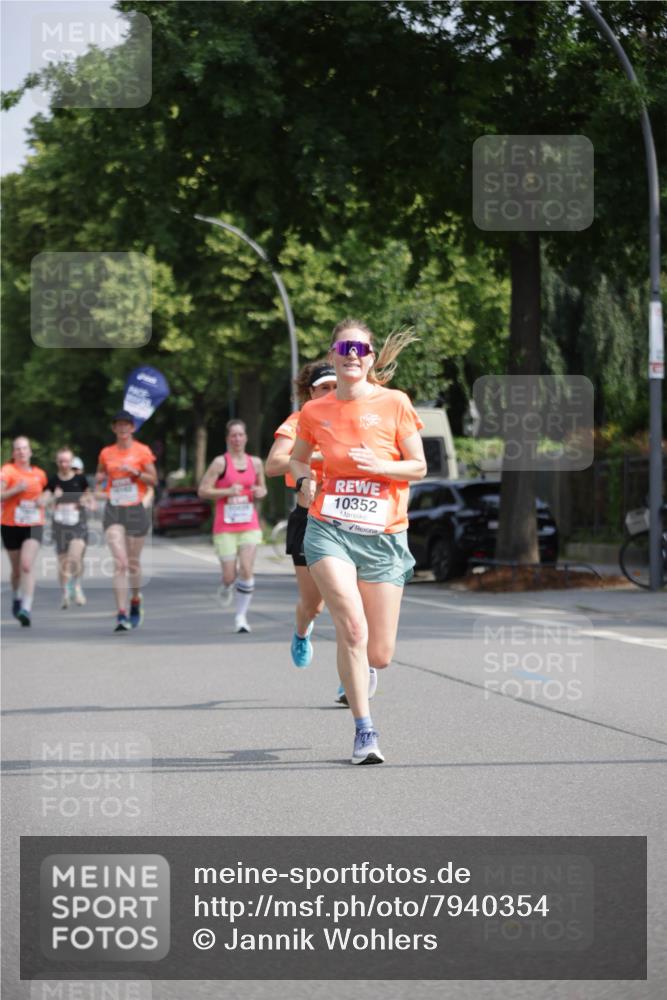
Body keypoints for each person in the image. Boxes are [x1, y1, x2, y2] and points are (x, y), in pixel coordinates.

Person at [289, 319, 427, 765]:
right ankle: (364, 732)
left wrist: (381, 468)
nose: (352, 354)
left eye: (360, 348)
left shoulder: (395, 403)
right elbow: (296, 459)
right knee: (350, 625)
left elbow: (419, 467)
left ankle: (364, 668)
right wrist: (306, 480)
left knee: (380, 654)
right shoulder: (315, 412)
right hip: (328, 529)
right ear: (333, 355)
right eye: (344, 347)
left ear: (370, 357)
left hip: (385, 536)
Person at [266, 361, 337, 667]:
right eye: (324, 387)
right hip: (309, 519)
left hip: (347, 519)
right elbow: (273, 464)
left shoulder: (354, 418)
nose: (331, 393)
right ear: (311, 392)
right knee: (314, 605)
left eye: (336, 387)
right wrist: (317, 454)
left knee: (350, 607)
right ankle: (301, 631)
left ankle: (352, 679)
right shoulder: (298, 421)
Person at [198, 419, 267, 634]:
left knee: (246, 569)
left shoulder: (255, 463)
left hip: (249, 523)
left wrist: (260, 492)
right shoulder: (220, 463)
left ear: (246, 438)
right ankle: (227, 584)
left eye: (240, 435)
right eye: (233, 435)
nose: (237, 439)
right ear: (228, 439)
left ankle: (241, 617)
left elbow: (263, 489)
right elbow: (202, 490)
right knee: (230, 576)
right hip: (225, 526)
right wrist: (226, 492)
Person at [96, 410, 157, 632]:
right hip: (114, 509)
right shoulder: (106, 453)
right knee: (120, 562)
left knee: (132, 563)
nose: (123, 429)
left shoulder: (142, 451)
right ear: (114, 429)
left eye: (126, 425)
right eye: (118, 425)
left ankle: (135, 598)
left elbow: (154, 479)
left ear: (132, 428)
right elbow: (100, 479)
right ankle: (121, 614)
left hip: (135, 510)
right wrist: (100, 482)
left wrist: (137, 473)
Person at [1, 436, 49, 627]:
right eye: (18, 449)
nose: (21, 452)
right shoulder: (7, 471)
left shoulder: (40, 474)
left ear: (30, 451)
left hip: (34, 523)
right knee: (16, 571)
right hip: (10, 524)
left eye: (25, 448)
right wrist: (16, 490)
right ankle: (16, 597)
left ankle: (26, 609)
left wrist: (45, 499)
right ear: (14, 453)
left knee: (27, 565)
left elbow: (48, 491)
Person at [46, 447, 93, 609]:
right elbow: (44, 501)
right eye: (60, 461)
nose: (64, 464)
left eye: (66, 461)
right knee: (63, 562)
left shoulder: (80, 479)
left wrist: (86, 501)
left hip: (78, 524)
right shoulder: (53, 481)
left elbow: (89, 496)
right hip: (59, 525)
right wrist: (53, 497)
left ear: (71, 461)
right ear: (57, 462)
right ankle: (65, 592)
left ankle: (76, 586)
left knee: (75, 557)